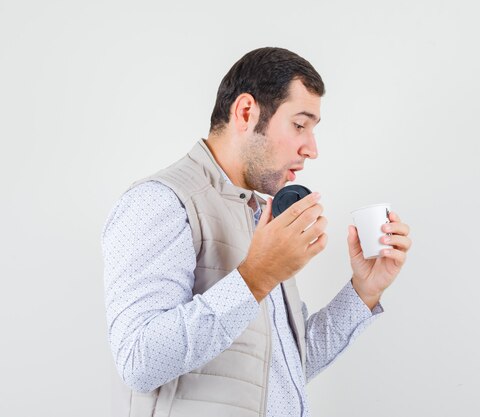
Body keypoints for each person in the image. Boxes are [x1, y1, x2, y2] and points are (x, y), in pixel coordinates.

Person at [102, 47, 412, 417]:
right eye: (300, 124)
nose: (311, 148)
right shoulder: (159, 201)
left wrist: (364, 290)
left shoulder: (256, 217)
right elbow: (139, 360)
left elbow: (283, 370)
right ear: (246, 112)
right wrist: (257, 276)